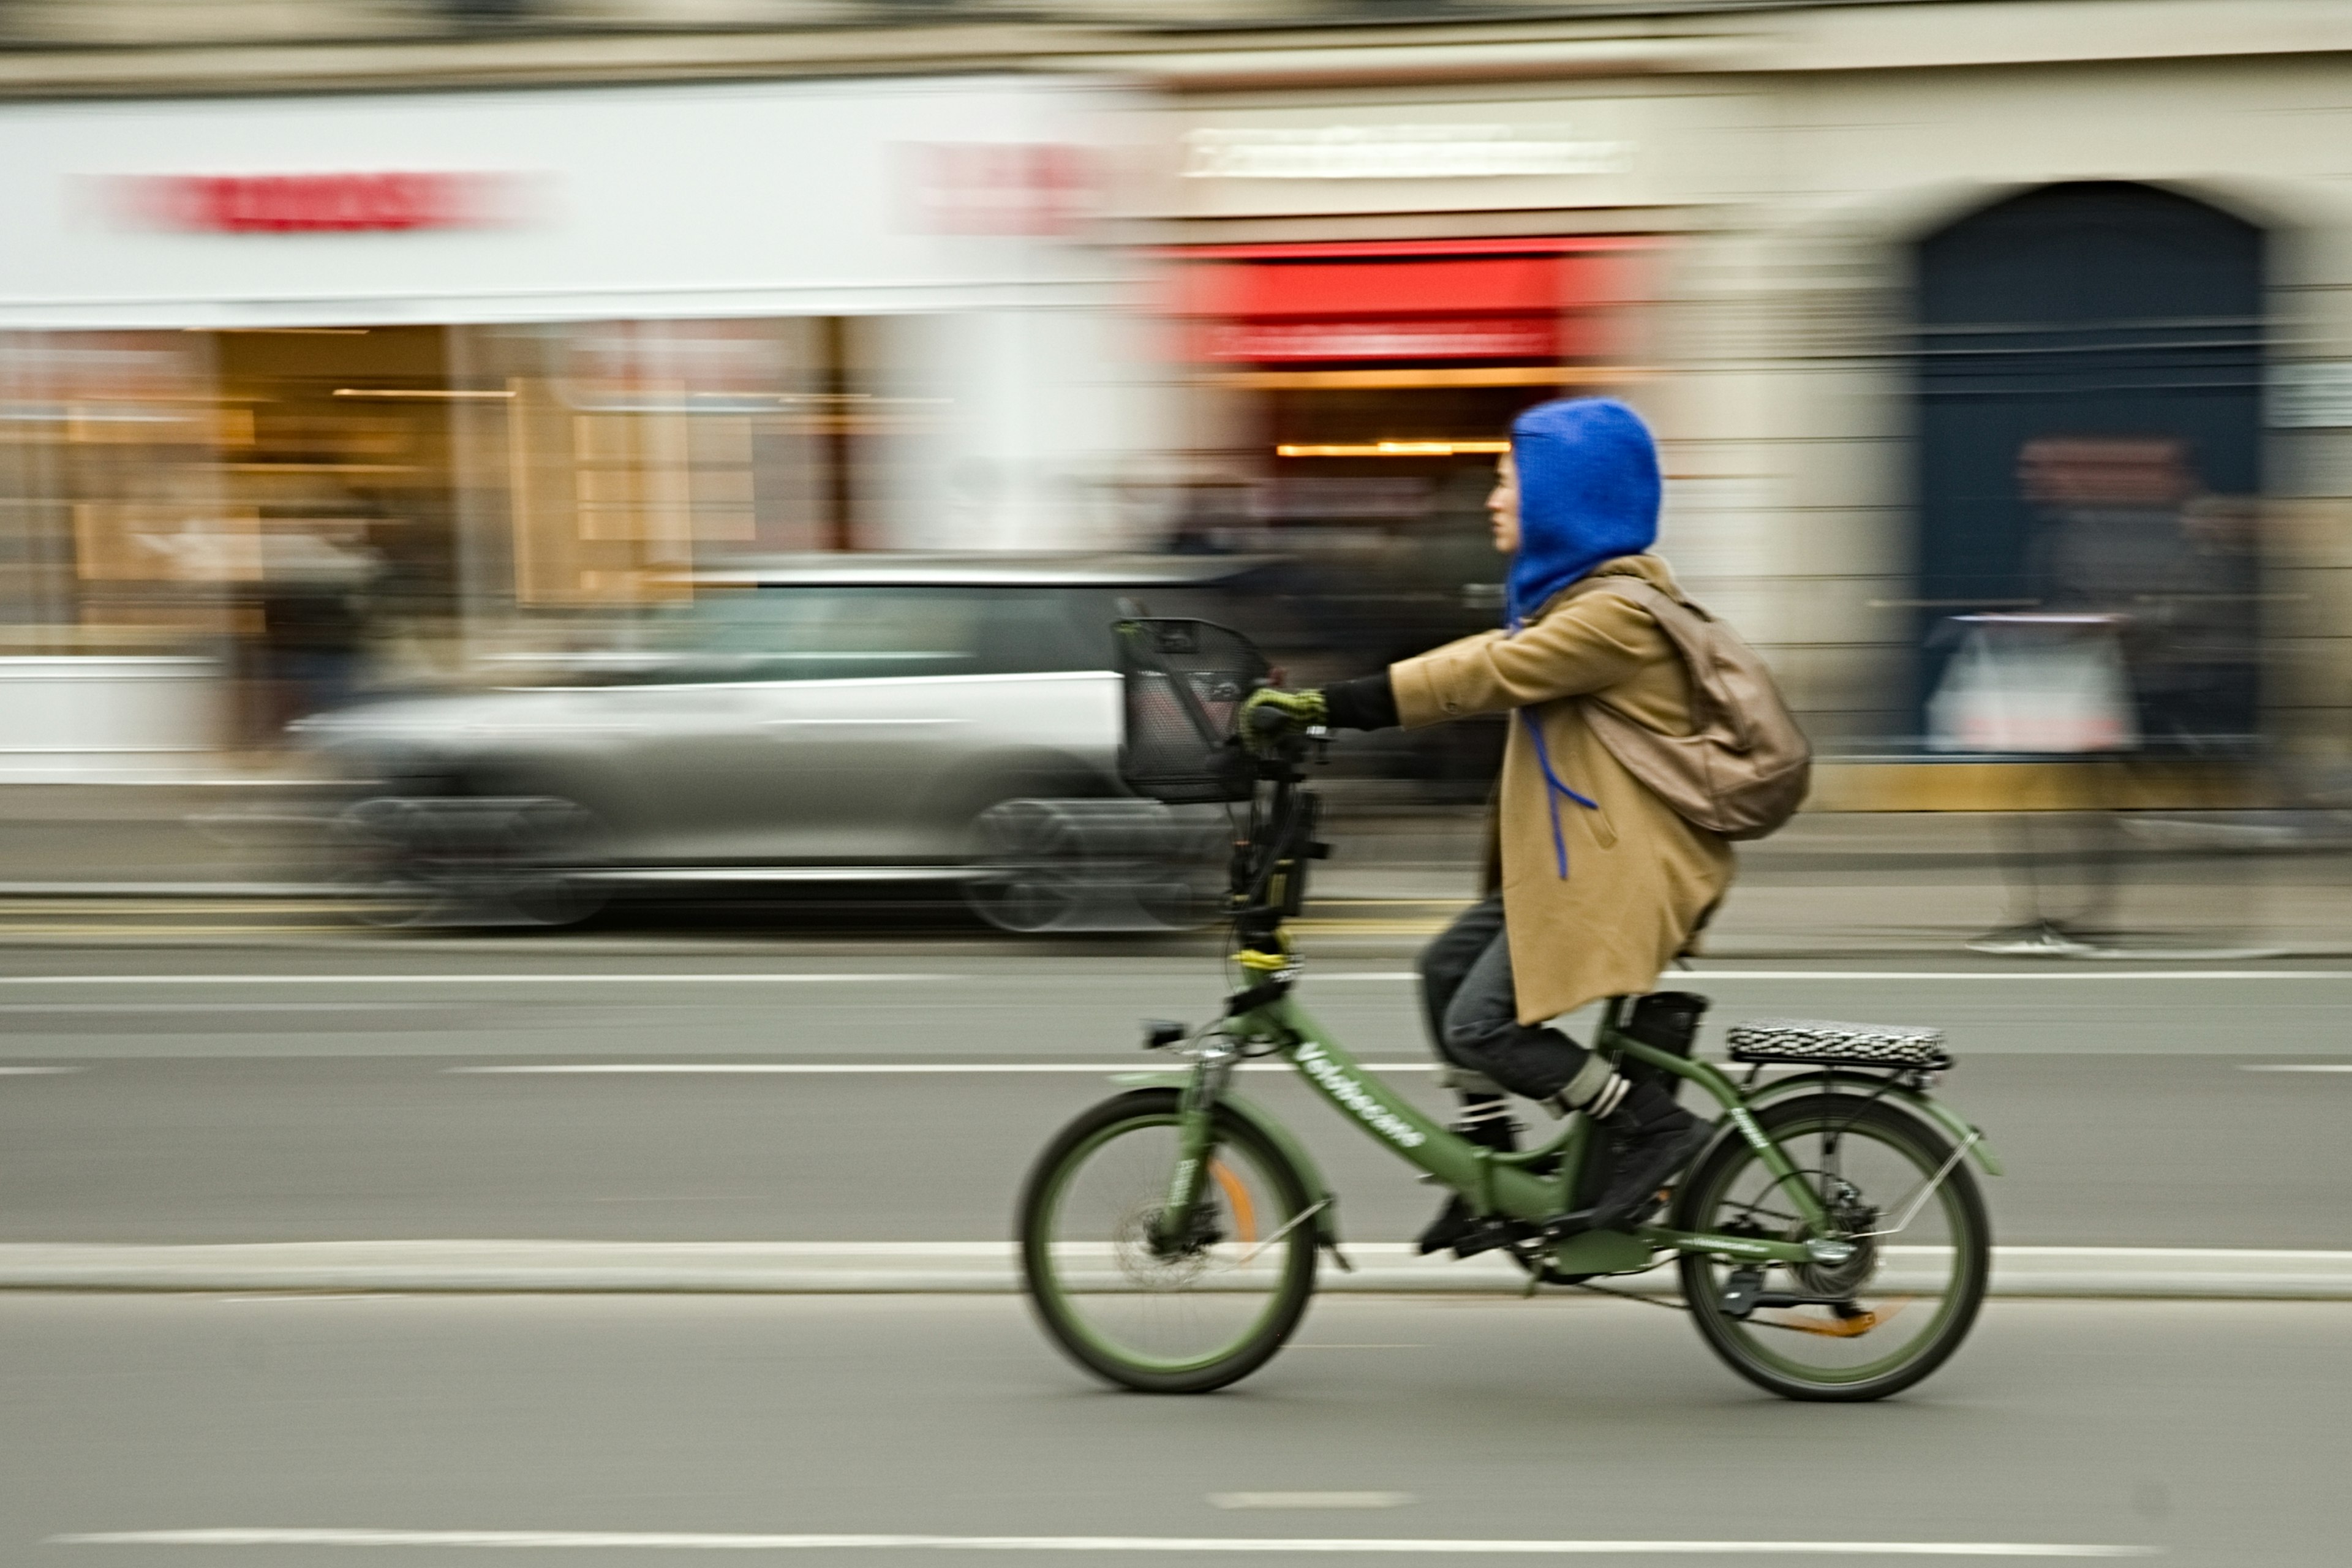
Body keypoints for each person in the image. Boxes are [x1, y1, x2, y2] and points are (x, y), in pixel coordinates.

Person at [1243, 398, 1736, 1245]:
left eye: (1510, 481)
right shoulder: (1574, 602)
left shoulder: (1616, 615)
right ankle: (1487, 1168)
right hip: (1576, 865)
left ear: (1564, 496)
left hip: (1621, 876)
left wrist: (1333, 704)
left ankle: (1652, 1127)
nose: (1491, 500)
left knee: (1480, 1025)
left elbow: (1480, 673)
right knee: (1442, 972)